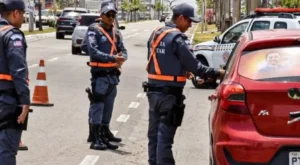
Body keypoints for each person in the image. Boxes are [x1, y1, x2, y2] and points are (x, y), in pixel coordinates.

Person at [143, 3, 225, 165]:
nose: (190, 25)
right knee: (165, 139)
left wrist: (181, 72)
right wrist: (218, 72)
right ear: (180, 18)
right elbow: (196, 66)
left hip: (153, 93)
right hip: (169, 96)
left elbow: (157, 61)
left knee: (153, 137)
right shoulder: (177, 39)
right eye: (189, 21)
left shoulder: (155, 34)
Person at [84, 2, 128, 151]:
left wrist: (122, 58)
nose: (110, 18)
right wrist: (113, 59)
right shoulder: (94, 30)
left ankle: (104, 133)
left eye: (113, 15)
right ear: (101, 15)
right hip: (100, 76)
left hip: (113, 75)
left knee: (108, 107)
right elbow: (93, 51)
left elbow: (123, 50)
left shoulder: (116, 32)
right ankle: (95, 137)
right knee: (98, 106)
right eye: (108, 14)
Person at [0, 0, 31, 164]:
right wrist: (25, 101)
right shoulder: (13, 35)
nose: (23, 17)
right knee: (6, 149)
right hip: (7, 101)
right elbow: (18, 71)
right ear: (16, 13)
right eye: (23, 13)